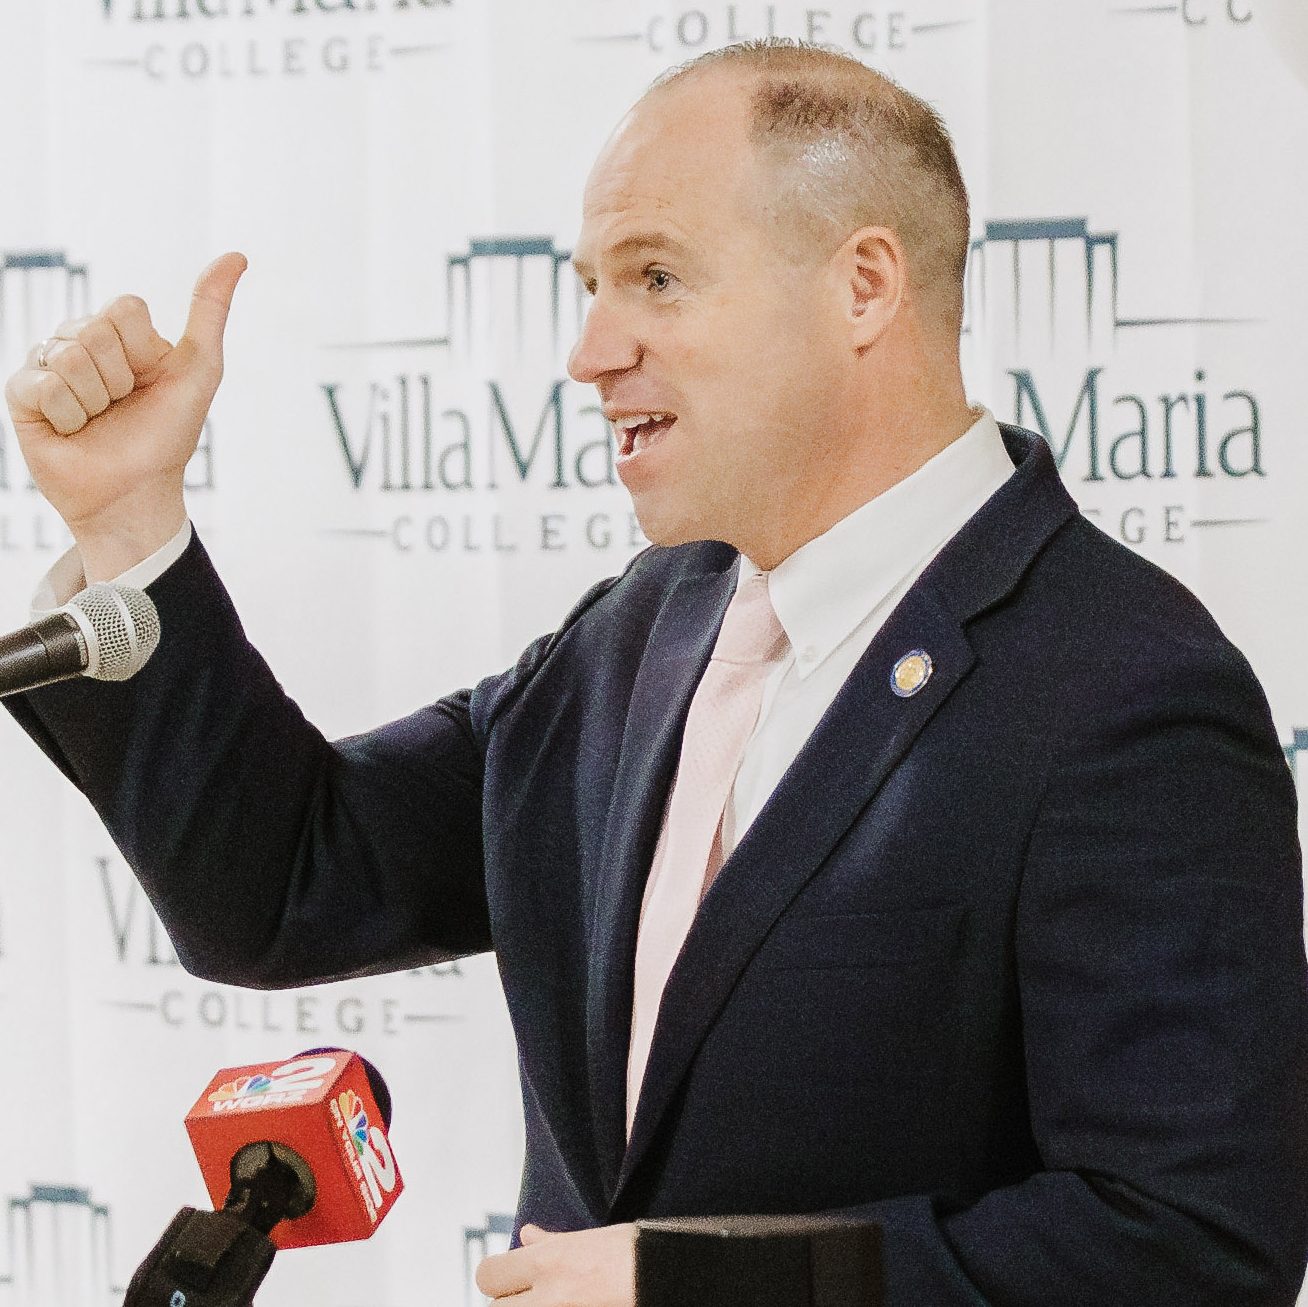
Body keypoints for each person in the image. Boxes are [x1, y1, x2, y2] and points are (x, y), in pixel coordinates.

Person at [5, 39, 1307, 1307]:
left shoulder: (1123, 691)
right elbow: (283, 884)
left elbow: (1191, 1244)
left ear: (864, 288)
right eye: (590, 286)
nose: (588, 350)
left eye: (656, 278)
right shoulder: (647, 629)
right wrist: (130, 524)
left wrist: (699, 1286)